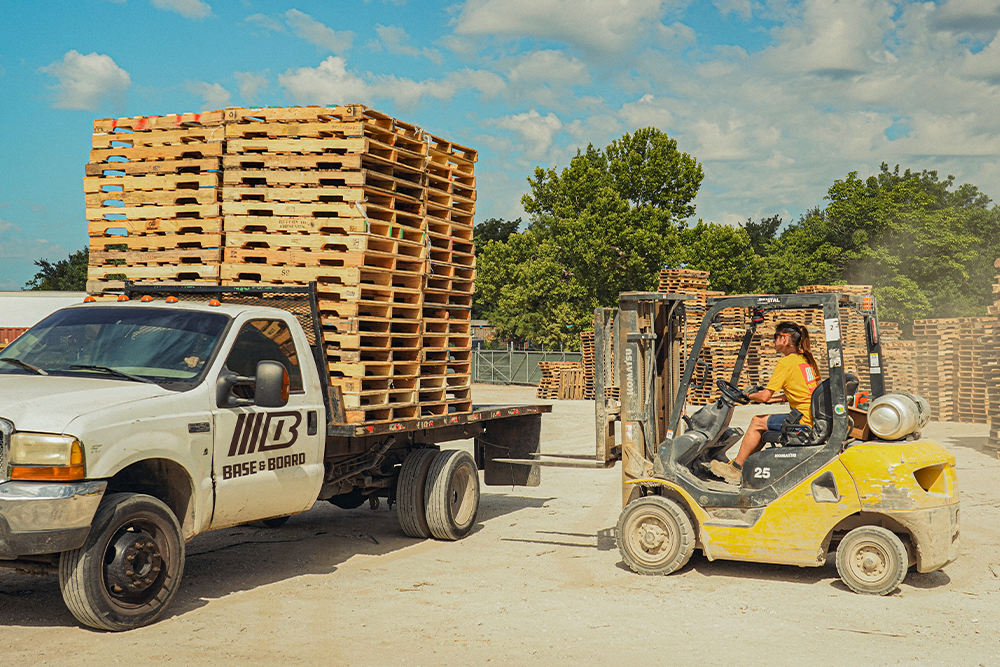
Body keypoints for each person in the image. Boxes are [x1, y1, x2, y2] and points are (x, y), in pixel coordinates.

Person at [710, 321, 821, 485]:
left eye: (775, 337)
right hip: (810, 416)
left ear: (784, 338)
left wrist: (748, 394)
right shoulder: (806, 360)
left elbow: (763, 397)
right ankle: (745, 465)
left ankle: (736, 467)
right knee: (763, 424)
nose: (773, 341)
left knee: (757, 422)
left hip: (802, 419)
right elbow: (798, 393)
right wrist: (770, 398)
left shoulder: (786, 363)